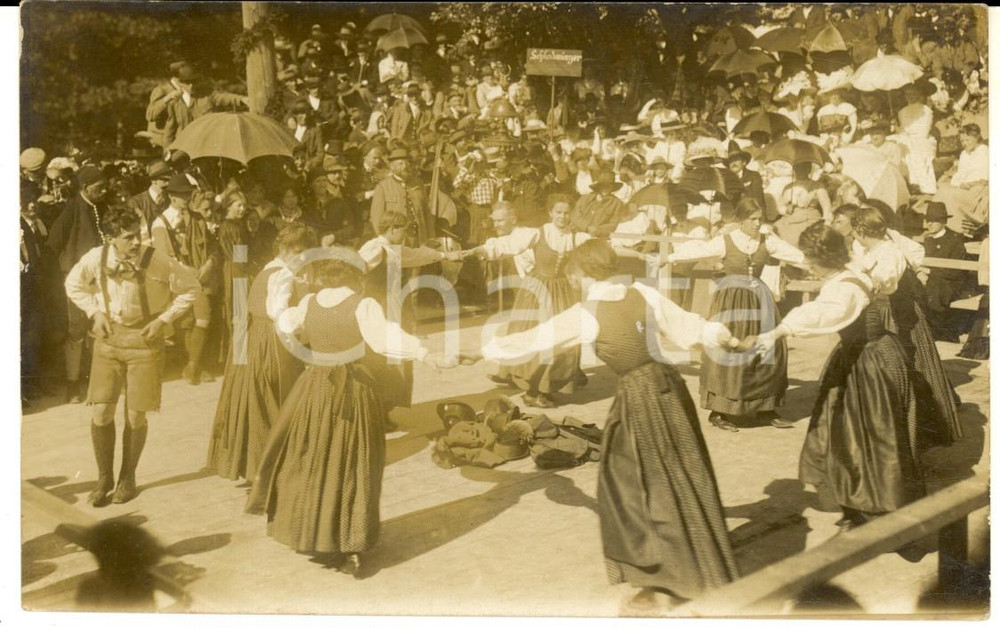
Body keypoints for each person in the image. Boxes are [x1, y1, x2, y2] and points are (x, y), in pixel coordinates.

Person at [480, 239, 739, 606]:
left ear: (584, 273)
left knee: (630, 483)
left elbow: (538, 338)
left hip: (638, 395)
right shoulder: (644, 295)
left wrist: (483, 350)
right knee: (682, 471)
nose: (575, 283)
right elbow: (691, 327)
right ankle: (701, 560)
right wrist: (725, 336)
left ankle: (670, 573)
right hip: (670, 389)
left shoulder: (588, 311)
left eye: (576, 276)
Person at [247, 252, 454, 575]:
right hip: (351, 390)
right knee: (352, 462)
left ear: (325, 279)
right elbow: (385, 340)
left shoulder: (310, 302)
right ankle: (345, 540)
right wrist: (425, 353)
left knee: (313, 459)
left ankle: (311, 533)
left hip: (314, 387)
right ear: (356, 279)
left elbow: (283, 321)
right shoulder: (362, 305)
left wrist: (304, 348)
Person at [757, 222, 924, 533]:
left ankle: (873, 508)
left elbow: (824, 312)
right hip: (864, 355)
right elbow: (799, 259)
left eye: (810, 259)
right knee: (843, 430)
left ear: (823, 258)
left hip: (869, 362)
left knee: (866, 434)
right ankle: (855, 502)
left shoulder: (844, 286)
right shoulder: (849, 270)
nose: (806, 264)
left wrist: (780, 330)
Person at [65, 208, 200, 506]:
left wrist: (165, 319)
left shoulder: (159, 259)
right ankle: (104, 478)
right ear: (111, 239)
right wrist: (94, 311)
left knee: (136, 414)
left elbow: (191, 288)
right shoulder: (95, 257)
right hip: (108, 342)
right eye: (128, 238)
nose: (137, 243)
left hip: (145, 343)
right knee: (101, 412)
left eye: (137, 235)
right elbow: (72, 285)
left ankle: (128, 477)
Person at [666, 198, 805, 431]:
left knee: (768, 350)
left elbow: (796, 256)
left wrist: (823, 263)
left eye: (760, 219)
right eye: (752, 219)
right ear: (741, 219)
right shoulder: (725, 241)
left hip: (761, 301)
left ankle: (766, 409)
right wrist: (669, 258)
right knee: (728, 349)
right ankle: (720, 411)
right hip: (731, 302)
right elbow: (698, 250)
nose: (757, 223)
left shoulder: (767, 240)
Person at [207, 224, 316, 483]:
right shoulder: (283, 275)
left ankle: (258, 466)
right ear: (284, 249)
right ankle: (275, 467)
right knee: (280, 398)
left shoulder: (269, 268)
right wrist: (302, 336)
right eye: (298, 251)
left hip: (256, 338)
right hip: (274, 342)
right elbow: (279, 313)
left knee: (259, 400)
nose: (302, 257)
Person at [849, 206, 961, 449]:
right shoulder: (863, 247)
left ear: (860, 230)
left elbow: (898, 266)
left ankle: (918, 427)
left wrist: (918, 270)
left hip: (898, 310)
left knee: (909, 363)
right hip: (876, 310)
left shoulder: (892, 245)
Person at [471, 194, 591, 407]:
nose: (562, 217)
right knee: (534, 337)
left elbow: (602, 247)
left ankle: (548, 384)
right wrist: (480, 250)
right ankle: (533, 391)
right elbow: (506, 245)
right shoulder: (538, 233)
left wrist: (640, 256)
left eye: (566, 212)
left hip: (563, 292)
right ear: (550, 213)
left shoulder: (576, 237)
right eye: (558, 212)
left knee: (562, 340)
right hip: (537, 290)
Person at [47, 165, 112, 404]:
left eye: (105, 185)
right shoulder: (70, 212)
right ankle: (73, 385)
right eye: (99, 187)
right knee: (75, 332)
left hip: (100, 278)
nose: (104, 190)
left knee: (99, 327)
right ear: (84, 187)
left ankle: (97, 382)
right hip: (76, 280)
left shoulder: (101, 207)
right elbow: (53, 246)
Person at [151, 175, 218, 385]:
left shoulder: (197, 219)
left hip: (200, 276)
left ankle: (193, 366)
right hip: (179, 278)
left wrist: (208, 265)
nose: (188, 198)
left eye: (189, 194)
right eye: (183, 195)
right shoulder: (160, 223)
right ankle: (194, 366)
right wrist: (187, 271)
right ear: (172, 197)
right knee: (190, 321)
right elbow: (163, 257)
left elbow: (211, 247)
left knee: (202, 318)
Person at [920, 202, 971, 342]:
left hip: (952, 283)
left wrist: (929, 271)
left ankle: (937, 333)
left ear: (943, 221)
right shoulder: (927, 239)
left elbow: (956, 273)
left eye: (934, 220)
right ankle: (925, 331)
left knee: (933, 290)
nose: (929, 224)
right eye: (928, 220)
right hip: (933, 281)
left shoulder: (954, 241)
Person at [933, 123, 989, 238]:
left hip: (979, 190)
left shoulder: (985, 152)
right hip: (964, 187)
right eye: (962, 141)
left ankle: (956, 228)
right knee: (943, 190)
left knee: (949, 193)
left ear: (977, 137)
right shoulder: (964, 154)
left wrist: (970, 184)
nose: (965, 144)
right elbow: (959, 175)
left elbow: (986, 179)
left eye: (967, 140)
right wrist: (959, 183)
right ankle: (942, 225)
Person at [776, 162, 831, 247]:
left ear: (808, 170)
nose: (799, 172)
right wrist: (786, 209)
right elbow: (780, 206)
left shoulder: (817, 186)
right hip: (791, 216)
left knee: (801, 237)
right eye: (797, 169)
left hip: (809, 217)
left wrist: (827, 221)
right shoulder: (789, 187)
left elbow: (826, 205)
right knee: (776, 230)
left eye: (803, 169)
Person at [571, 169, 627, 237]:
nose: (606, 188)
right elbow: (575, 216)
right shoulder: (585, 199)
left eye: (609, 185)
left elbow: (613, 224)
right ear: (598, 186)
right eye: (603, 185)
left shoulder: (617, 203)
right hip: (578, 233)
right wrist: (587, 227)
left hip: (599, 237)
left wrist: (597, 231)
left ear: (613, 187)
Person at [127, 160, 171, 245]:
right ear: (154, 180)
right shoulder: (136, 202)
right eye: (165, 179)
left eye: (170, 179)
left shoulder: (170, 198)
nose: (168, 183)